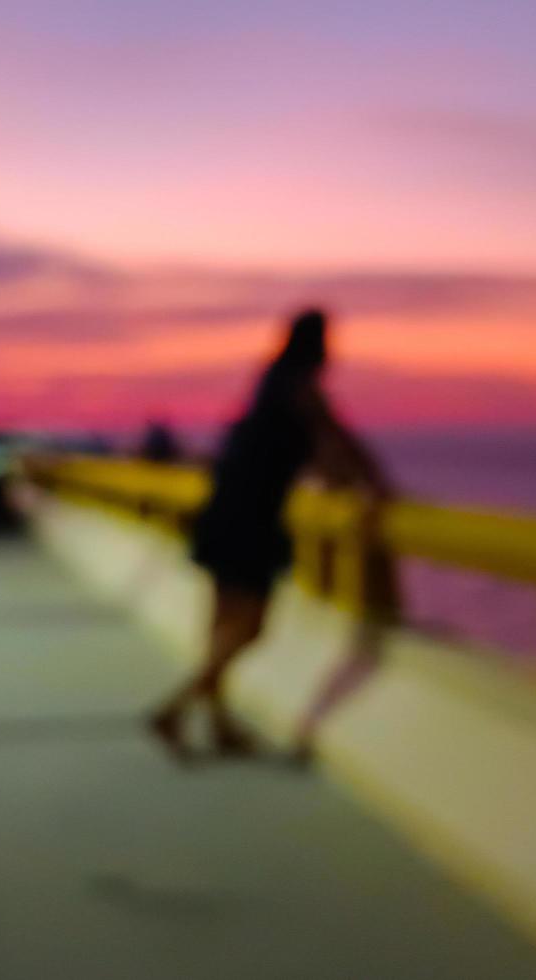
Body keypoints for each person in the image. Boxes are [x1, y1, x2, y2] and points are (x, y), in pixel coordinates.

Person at [148, 308, 390, 759]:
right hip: (252, 519)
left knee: (222, 623)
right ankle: (175, 708)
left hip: (224, 508)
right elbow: (336, 443)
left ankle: (218, 725)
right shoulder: (300, 389)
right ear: (319, 347)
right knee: (251, 626)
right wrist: (377, 484)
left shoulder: (270, 383)